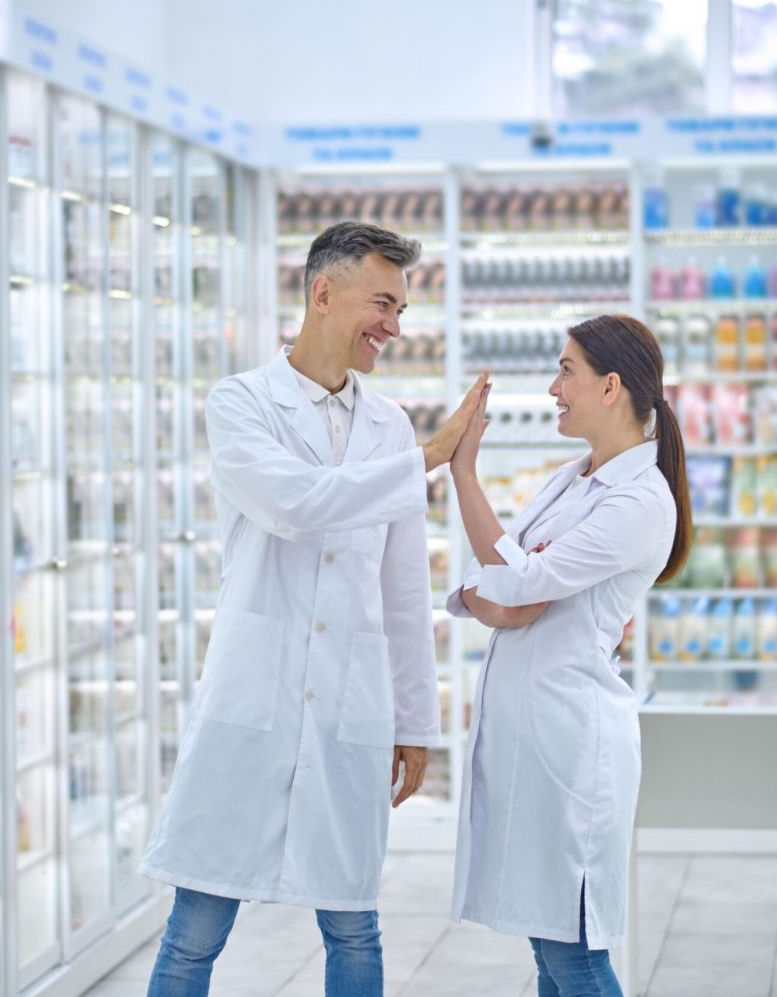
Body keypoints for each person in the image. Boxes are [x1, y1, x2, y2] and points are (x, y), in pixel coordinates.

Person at [140, 221, 488, 997]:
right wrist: (426, 459)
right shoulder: (241, 404)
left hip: (347, 704)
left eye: (401, 310)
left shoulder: (388, 426)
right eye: (383, 305)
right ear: (323, 294)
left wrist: (414, 722)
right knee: (196, 923)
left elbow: (403, 590)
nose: (395, 328)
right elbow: (294, 504)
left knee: (353, 921)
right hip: (251, 697)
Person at [446, 314, 691, 997]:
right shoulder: (570, 478)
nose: (554, 388)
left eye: (566, 370)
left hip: (569, 750)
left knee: (572, 956)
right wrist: (505, 587)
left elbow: (512, 581)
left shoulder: (641, 501)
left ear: (610, 386)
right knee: (550, 952)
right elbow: (493, 584)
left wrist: (465, 474)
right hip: (535, 740)